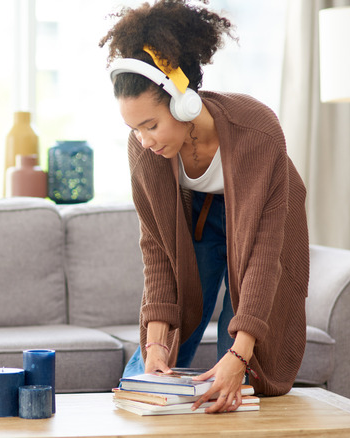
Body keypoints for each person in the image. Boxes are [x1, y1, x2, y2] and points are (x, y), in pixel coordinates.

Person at [99, 0, 309, 414]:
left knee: (240, 378)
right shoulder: (144, 153)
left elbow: (264, 258)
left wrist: (239, 355)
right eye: (134, 129)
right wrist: (156, 342)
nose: (144, 140)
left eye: (151, 125)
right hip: (196, 218)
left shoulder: (258, 130)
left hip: (264, 221)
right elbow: (157, 251)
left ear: (184, 102)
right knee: (149, 374)